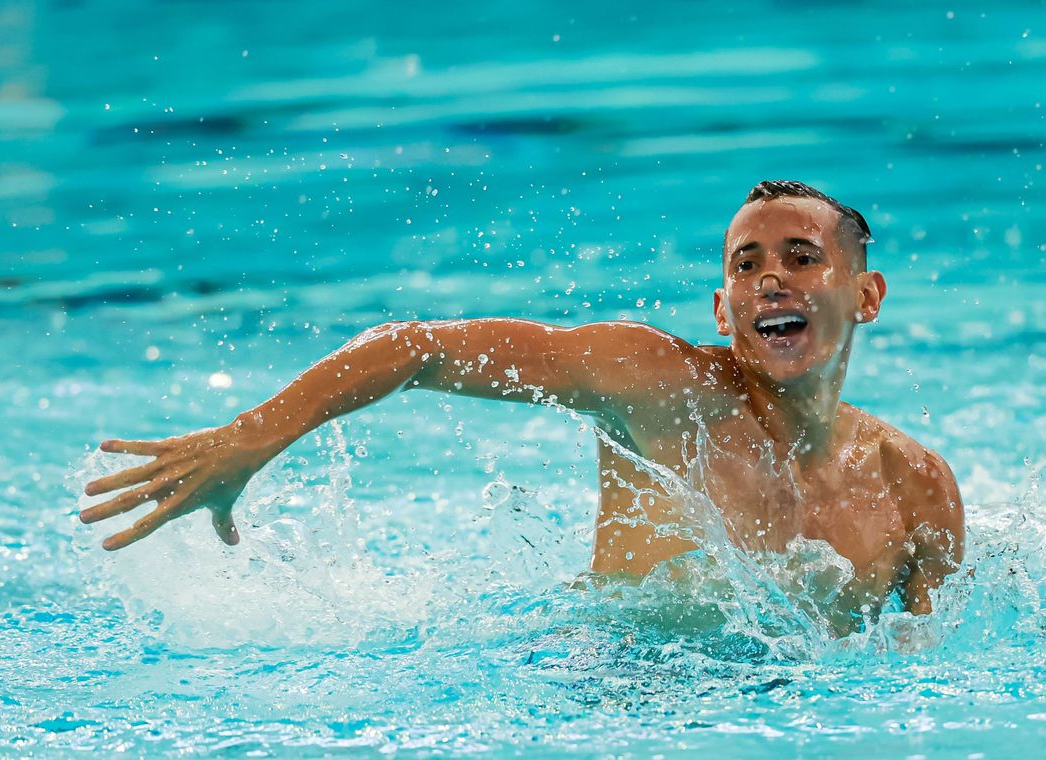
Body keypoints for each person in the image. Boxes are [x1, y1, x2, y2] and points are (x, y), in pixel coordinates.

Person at [80, 180, 964, 630]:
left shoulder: (915, 487)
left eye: (802, 256)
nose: (770, 274)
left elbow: (925, 683)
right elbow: (416, 347)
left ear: (867, 293)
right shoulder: (657, 385)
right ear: (722, 311)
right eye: (744, 264)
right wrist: (248, 439)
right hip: (613, 705)